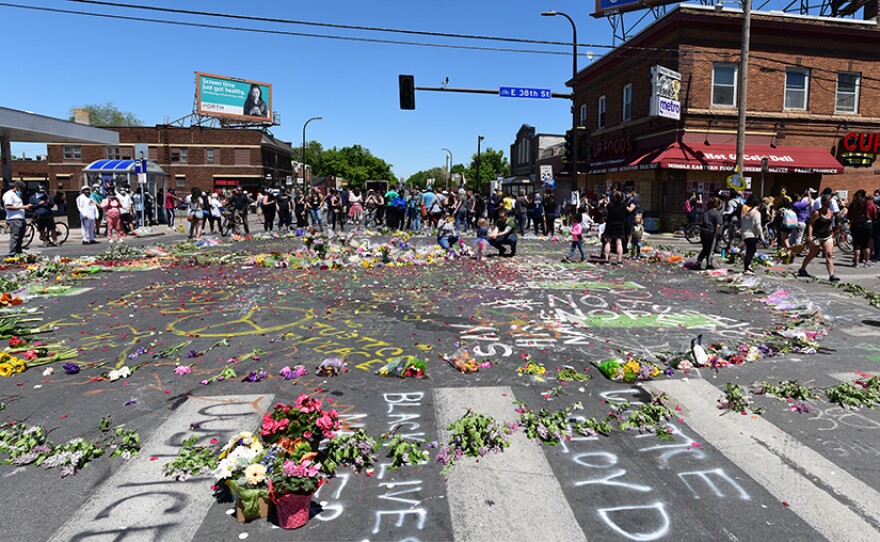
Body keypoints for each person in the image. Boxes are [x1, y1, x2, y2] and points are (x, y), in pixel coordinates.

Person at [798, 194, 840, 282]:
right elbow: (811, 224)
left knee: (829, 254)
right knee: (812, 254)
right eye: (827, 203)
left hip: (827, 236)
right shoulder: (817, 213)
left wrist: (832, 236)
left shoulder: (831, 213)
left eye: (830, 203)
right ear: (823, 203)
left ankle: (832, 275)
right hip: (816, 237)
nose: (829, 204)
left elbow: (829, 226)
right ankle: (802, 269)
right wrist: (809, 236)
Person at [695, 196, 723, 271]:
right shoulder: (717, 214)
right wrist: (718, 234)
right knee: (711, 249)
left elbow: (701, 222)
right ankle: (709, 264)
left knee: (705, 248)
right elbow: (718, 225)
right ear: (718, 205)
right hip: (711, 232)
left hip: (703, 232)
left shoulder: (706, 212)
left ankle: (698, 262)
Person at [848, 189, 876, 267]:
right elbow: (874, 213)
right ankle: (867, 262)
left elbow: (849, 215)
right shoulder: (869, 203)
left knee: (856, 244)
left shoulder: (853, 204)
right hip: (867, 224)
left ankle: (856, 262)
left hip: (855, 224)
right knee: (866, 244)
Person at [3, 181, 30, 257]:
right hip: (14, 218)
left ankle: (18, 252)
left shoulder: (15, 195)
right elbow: (8, 207)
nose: (22, 190)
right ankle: (12, 253)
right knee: (15, 237)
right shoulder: (9, 194)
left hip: (20, 218)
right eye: (21, 189)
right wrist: (22, 207)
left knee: (20, 237)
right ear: (17, 187)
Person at [741, 194, 766, 275]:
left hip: (745, 234)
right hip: (751, 234)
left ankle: (747, 267)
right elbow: (758, 226)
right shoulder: (756, 213)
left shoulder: (747, 212)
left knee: (750, 250)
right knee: (750, 251)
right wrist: (762, 238)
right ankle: (746, 268)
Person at [603, 191, 628, 265]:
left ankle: (606, 260)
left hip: (610, 225)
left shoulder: (610, 205)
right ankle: (619, 261)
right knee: (619, 243)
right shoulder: (623, 206)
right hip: (620, 225)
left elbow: (606, 208)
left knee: (608, 242)